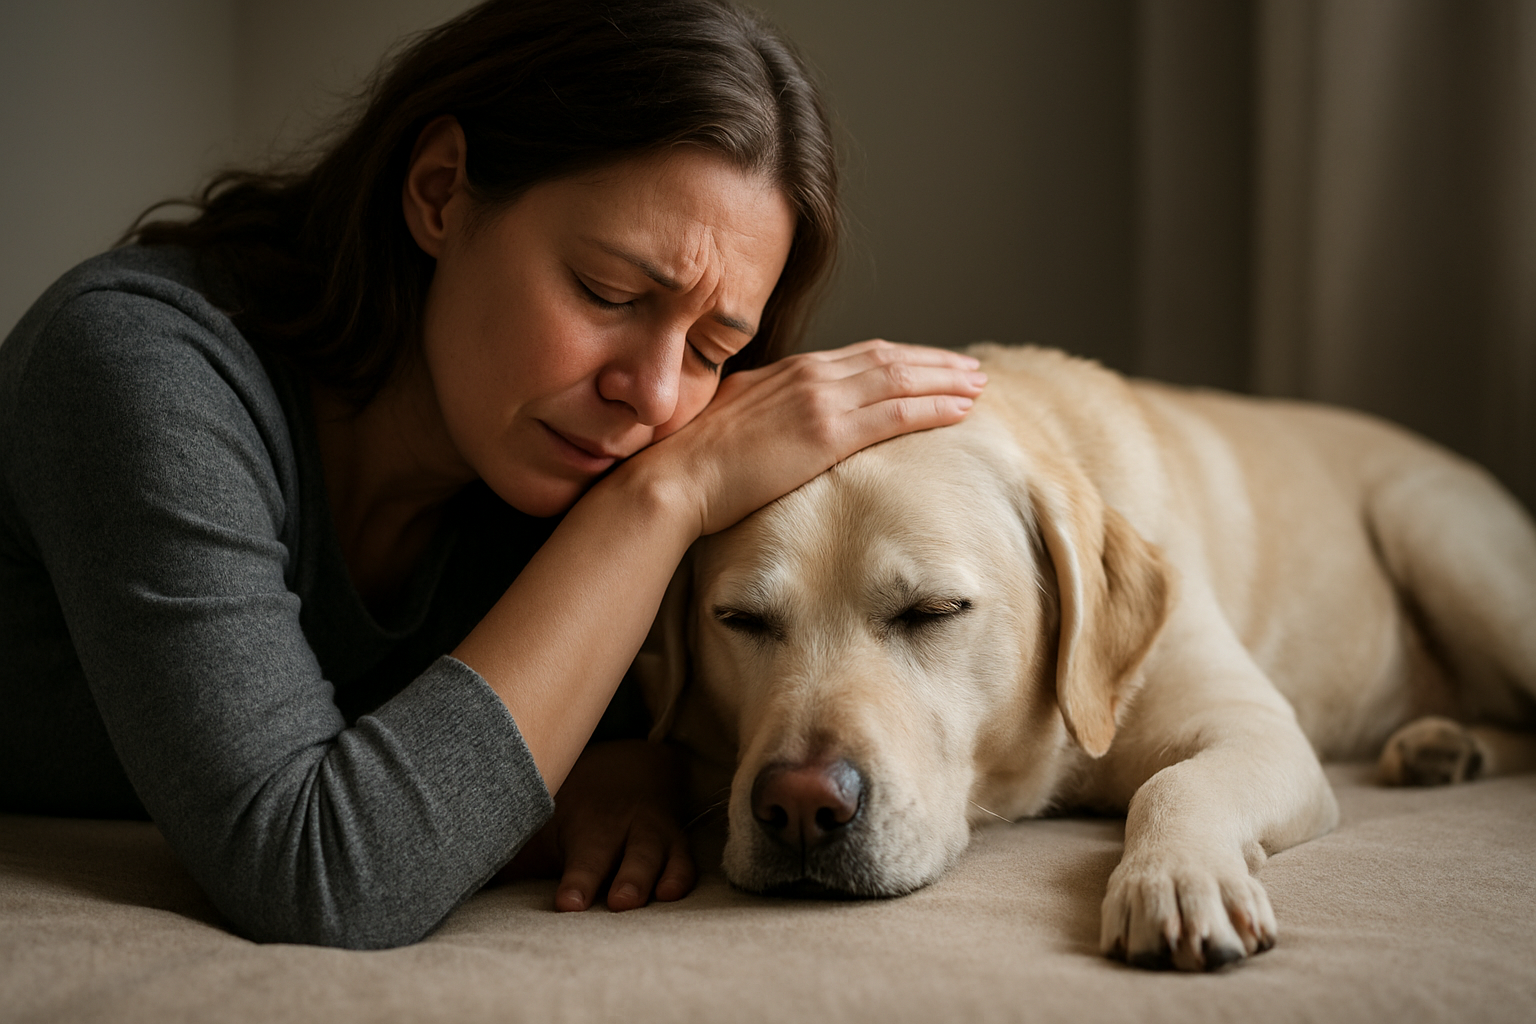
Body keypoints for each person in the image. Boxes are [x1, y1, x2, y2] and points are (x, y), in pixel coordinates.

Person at [0, 0, 984, 948]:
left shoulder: (555, 458)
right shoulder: (138, 367)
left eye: (712, 347)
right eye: (610, 291)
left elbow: (678, 731)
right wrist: (664, 496)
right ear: (438, 191)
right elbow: (322, 874)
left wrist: (623, 759)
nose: (650, 395)